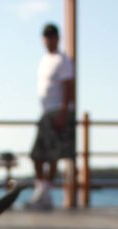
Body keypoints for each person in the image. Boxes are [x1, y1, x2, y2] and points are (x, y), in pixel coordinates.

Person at [26, 23, 75, 210]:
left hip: (58, 111)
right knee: (38, 154)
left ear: (58, 38)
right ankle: (42, 191)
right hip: (46, 112)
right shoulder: (45, 59)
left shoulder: (63, 60)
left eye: (52, 36)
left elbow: (68, 86)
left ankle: (45, 194)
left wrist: (63, 112)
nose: (49, 40)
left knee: (52, 155)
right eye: (46, 37)